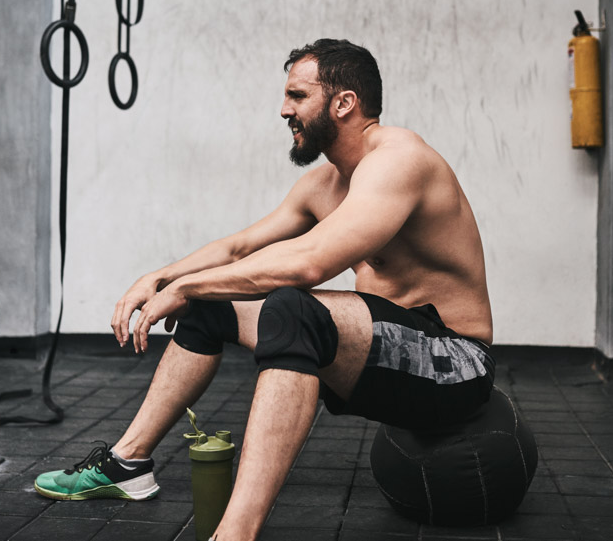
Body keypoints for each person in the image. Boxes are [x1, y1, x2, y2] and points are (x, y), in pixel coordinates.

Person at [34, 39, 496, 540]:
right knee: (209, 307)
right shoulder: (324, 185)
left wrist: (188, 285)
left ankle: (235, 534)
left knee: (292, 309)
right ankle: (128, 464)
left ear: (343, 103)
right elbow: (238, 250)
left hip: (455, 363)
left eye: (298, 96)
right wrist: (163, 278)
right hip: (382, 354)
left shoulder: (400, 159)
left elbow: (309, 263)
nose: (284, 110)